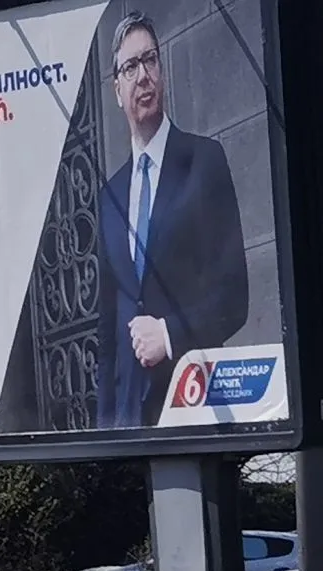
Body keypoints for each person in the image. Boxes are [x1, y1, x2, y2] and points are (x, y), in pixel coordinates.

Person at [94, 10, 246, 429]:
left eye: (150, 60)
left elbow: (235, 299)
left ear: (161, 70)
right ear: (117, 89)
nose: (143, 76)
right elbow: (109, 327)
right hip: (129, 425)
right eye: (130, 67)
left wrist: (168, 334)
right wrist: (105, 427)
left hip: (193, 405)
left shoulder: (204, 161)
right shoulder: (110, 197)